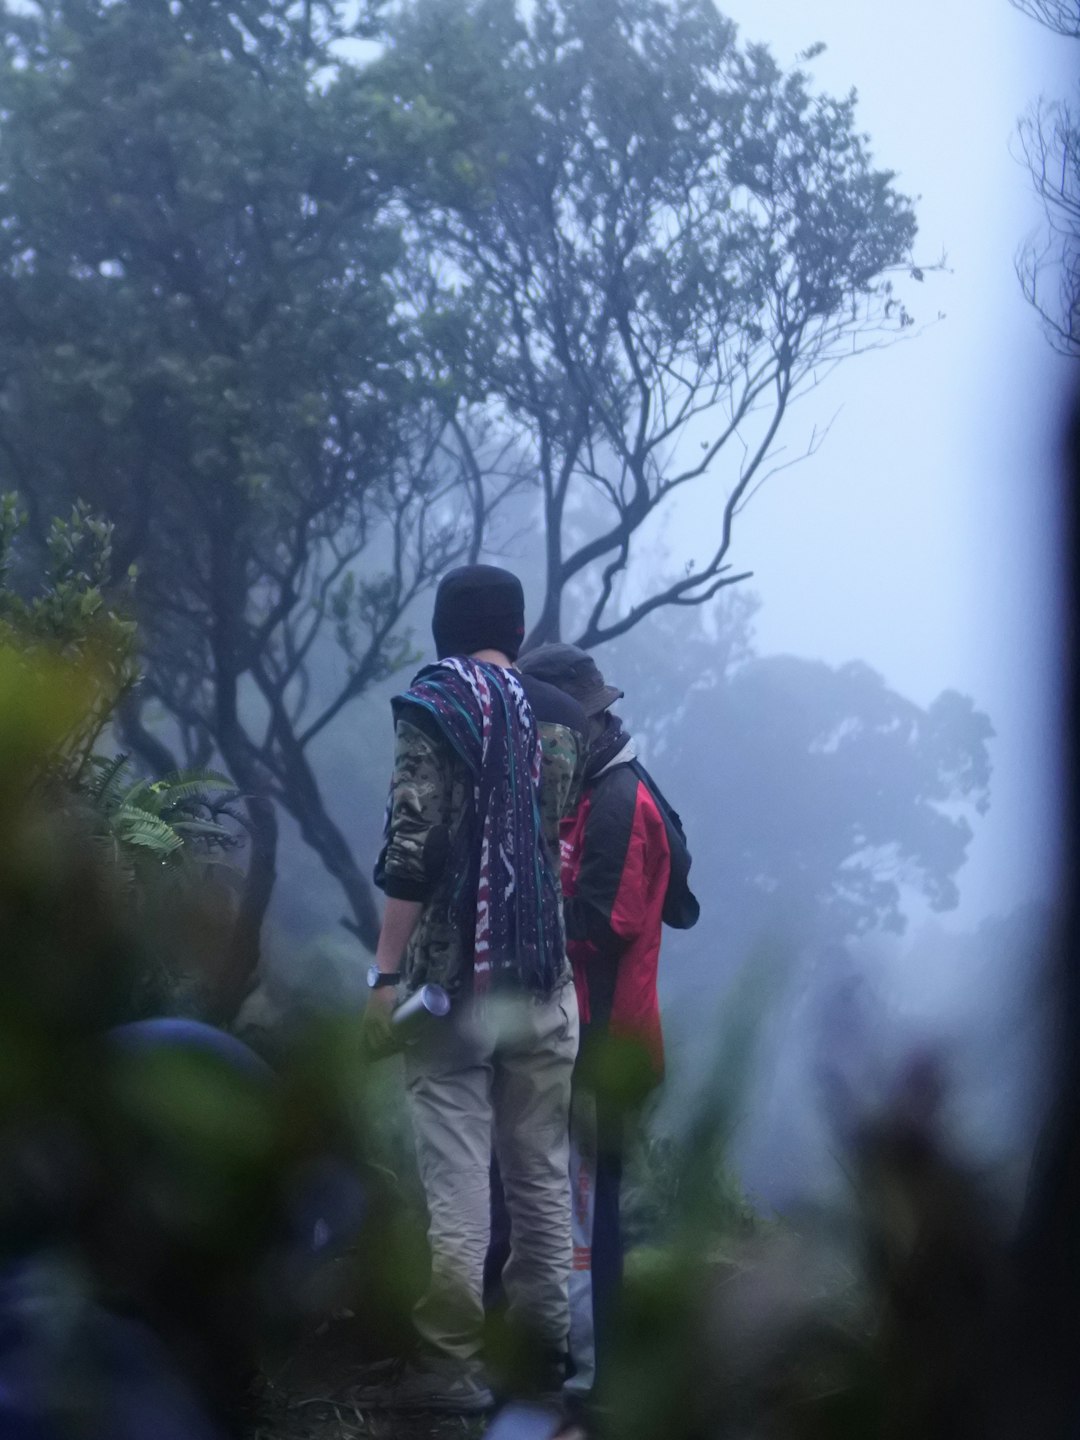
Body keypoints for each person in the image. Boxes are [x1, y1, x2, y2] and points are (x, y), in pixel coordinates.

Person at [359, 566, 587, 1413]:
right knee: (540, 1182)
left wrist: (385, 976)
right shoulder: (561, 720)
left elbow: (413, 844)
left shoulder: (437, 702)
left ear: (443, 630)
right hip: (543, 978)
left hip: (455, 987)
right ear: (518, 633)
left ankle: (451, 1372)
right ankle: (544, 1365)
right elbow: (552, 841)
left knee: (459, 1187)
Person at [517, 643, 698, 1401]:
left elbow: (602, 921)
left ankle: (589, 1390)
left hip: (604, 1045)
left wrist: (506, 909)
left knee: (586, 1225)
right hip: (579, 1037)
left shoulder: (621, 797)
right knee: (569, 1212)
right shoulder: (593, 787)